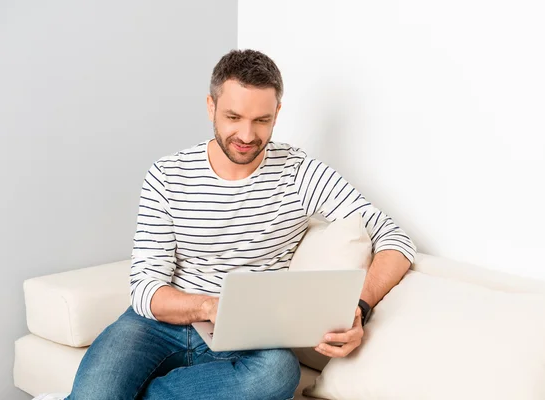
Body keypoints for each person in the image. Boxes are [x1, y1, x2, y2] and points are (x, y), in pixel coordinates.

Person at [66, 49, 416, 400]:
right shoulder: (167, 174)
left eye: (261, 120)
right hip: (156, 326)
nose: (247, 135)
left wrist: (358, 308)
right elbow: (145, 287)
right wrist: (209, 307)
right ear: (210, 106)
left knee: (278, 373)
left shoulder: (300, 173)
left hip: (252, 335)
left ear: (277, 113)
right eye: (234, 117)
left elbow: (395, 239)